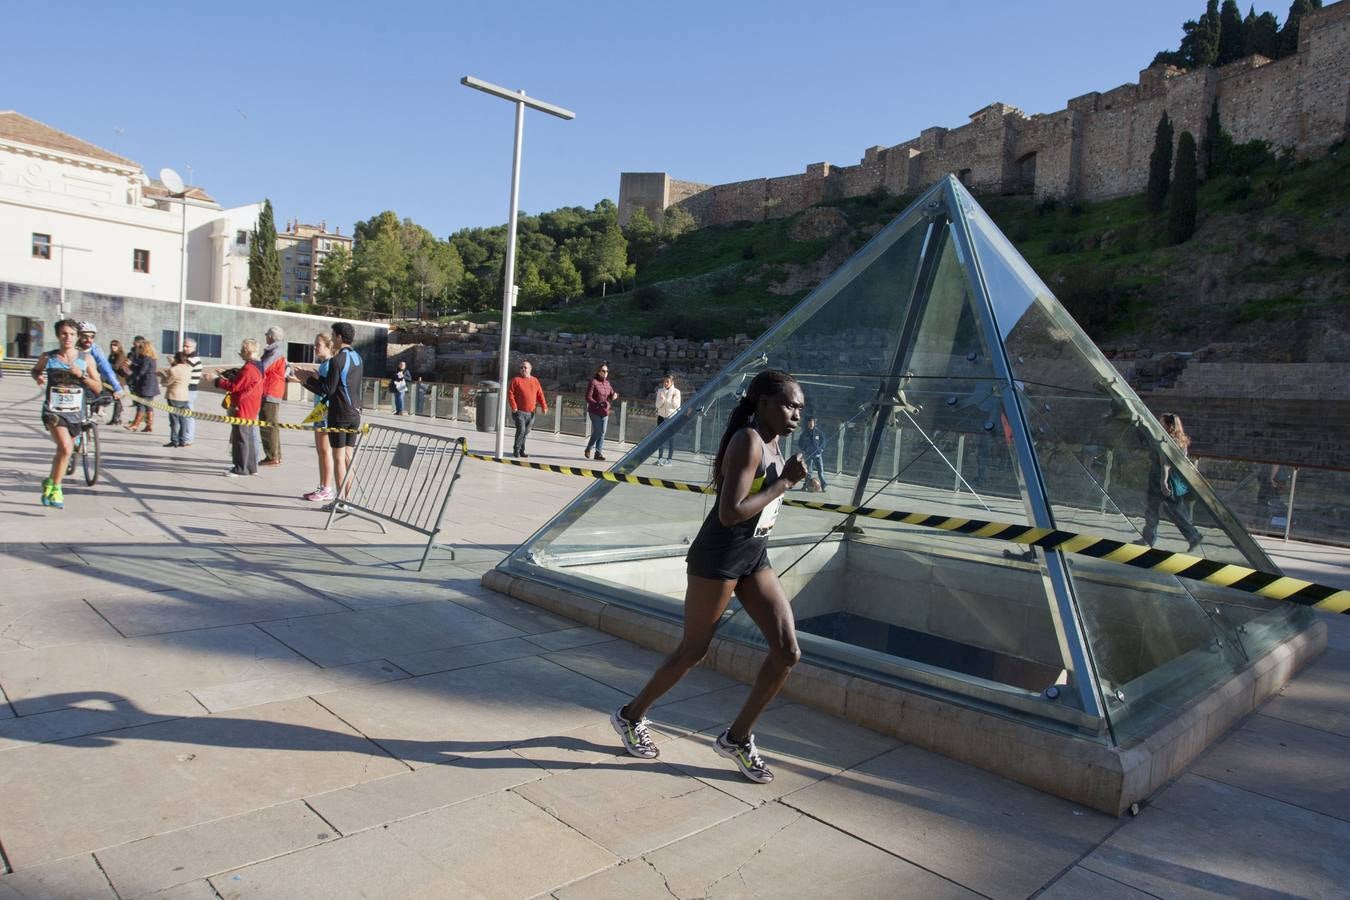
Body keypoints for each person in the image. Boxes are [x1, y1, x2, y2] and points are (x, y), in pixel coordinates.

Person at [611, 370, 807, 784]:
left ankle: (737, 738)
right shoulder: (748, 441)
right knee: (693, 651)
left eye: (800, 408)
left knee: (787, 651)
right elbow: (730, 511)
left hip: (753, 557)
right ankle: (630, 716)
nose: (796, 415)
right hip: (718, 560)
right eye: (790, 405)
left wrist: (783, 481)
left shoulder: (772, 443)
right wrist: (786, 482)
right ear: (764, 403)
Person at [30, 319, 102, 508]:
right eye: (64, 334)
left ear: (77, 336)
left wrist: (82, 375)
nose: (67, 337)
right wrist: (37, 375)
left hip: (75, 413)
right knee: (66, 448)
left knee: (62, 451)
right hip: (53, 410)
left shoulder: (86, 359)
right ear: (57, 336)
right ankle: (57, 488)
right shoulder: (48, 357)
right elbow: (36, 369)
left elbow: (98, 387)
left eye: (71, 334)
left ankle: (50, 482)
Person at [304, 322, 363, 497]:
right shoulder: (358, 358)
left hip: (340, 414)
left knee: (338, 457)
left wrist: (307, 380)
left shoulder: (338, 360)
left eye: (333, 334)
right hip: (355, 412)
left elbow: (328, 390)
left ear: (338, 337)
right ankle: (348, 497)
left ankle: (340, 499)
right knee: (348, 457)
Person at [1141, 412, 1203, 552]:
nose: (1159, 423)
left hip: (1163, 477)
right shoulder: (1181, 441)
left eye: (1161, 422)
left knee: (1168, 508)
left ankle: (1193, 535)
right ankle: (1149, 537)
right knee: (1163, 507)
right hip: (1169, 477)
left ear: (1169, 426)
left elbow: (1165, 464)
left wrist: (1163, 482)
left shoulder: (1165, 440)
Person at [293, 332, 336, 502]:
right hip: (321, 409)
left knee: (324, 450)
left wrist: (306, 379)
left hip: (324, 409)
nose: (315, 347)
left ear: (328, 346)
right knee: (321, 450)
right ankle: (323, 485)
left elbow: (323, 389)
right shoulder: (325, 364)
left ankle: (326, 487)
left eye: (318, 344)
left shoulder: (329, 364)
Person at [215, 339, 265, 477]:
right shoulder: (259, 366)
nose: (240, 354)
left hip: (242, 406)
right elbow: (243, 382)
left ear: (247, 352)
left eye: (242, 351)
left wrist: (217, 381)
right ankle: (250, 467)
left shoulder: (249, 368)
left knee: (240, 438)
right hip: (251, 406)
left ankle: (240, 467)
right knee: (248, 438)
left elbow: (235, 386)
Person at [258, 326, 288, 466]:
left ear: (271, 336)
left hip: (269, 392)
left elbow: (262, 368)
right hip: (273, 391)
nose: (265, 337)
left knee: (267, 425)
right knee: (272, 425)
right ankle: (276, 455)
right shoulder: (278, 351)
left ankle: (271, 456)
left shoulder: (275, 352)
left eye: (267, 335)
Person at [507, 359, 548, 458]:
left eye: (525, 367)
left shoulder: (535, 380)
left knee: (525, 432)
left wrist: (544, 406)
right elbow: (510, 394)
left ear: (530, 369)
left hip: (531, 412)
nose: (523, 369)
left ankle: (522, 451)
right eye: (521, 367)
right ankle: (516, 450)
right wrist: (514, 406)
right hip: (519, 412)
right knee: (521, 430)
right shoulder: (516, 380)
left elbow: (540, 394)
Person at [584, 362, 618, 462]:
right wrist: (597, 404)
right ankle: (589, 448)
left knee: (602, 432)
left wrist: (615, 395)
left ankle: (598, 453)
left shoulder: (607, 383)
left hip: (605, 411)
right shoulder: (593, 382)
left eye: (607, 371)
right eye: (603, 371)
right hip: (594, 411)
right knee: (598, 431)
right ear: (598, 372)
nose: (605, 373)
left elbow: (612, 394)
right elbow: (588, 397)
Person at [158, 351, 193, 448]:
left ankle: (174, 440)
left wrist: (163, 376)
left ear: (176, 359)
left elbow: (167, 382)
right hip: (185, 396)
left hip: (174, 396)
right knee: (183, 419)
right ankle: (182, 440)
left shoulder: (173, 369)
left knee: (174, 420)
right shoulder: (189, 369)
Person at [125, 338, 158, 432]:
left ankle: (136, 424)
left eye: (141, 348)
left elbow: (142, 371)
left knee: (141, 404)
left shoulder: (147, 358)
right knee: (148, 405)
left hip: (146, 384)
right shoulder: (152, 358)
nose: (140, 349)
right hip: (151, 384)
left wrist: (133, 376)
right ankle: (149, 425)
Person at [653, 373, 681, 466]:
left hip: (671, 417)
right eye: (664, 381)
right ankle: (660, 458)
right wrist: (662, 399)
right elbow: (657, 405)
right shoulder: (660, 391)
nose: (665, 383)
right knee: (660, 438)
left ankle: (669, 460)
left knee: (670, 439)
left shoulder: (676, 392)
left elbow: (677, 406)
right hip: (661, 417)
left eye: (667, 381)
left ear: (672, 382)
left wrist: (672, 400)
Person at [181, 337, 203, 447]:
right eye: (184, 346)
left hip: (190, 389)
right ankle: (185, 437)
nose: (184, 348)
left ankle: (188, 438)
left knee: (188, 414)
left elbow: (183, 371)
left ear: (193, 347)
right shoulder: (189, 358)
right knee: (185, 414)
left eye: (187, 346)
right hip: (186, 389)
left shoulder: (193, 359)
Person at [799, 417, 827, 490]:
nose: (811, 424)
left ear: (814, 424)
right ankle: (806, 485)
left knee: (820, 471)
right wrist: (805, 449)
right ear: (807, 424)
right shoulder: (804, 434)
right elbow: (800, 443)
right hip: (809, 455)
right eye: (809, 423)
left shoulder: (818, 432)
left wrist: (821, 449)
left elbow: (823, 441)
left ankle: (824, 485)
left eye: (812, 423)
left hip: (818, 455)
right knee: (809, 472)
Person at [106, 340, 127, 424]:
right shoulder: (112, 355)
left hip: (118, 380)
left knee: (117, 399)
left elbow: (116, 366)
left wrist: (106, 364)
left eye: (115, 345)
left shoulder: (120, 355)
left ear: (119, 346)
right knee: (115, 399)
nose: (113, 347)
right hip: (112, 379)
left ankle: (116, 418)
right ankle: (117, 417)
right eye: (112, 345)